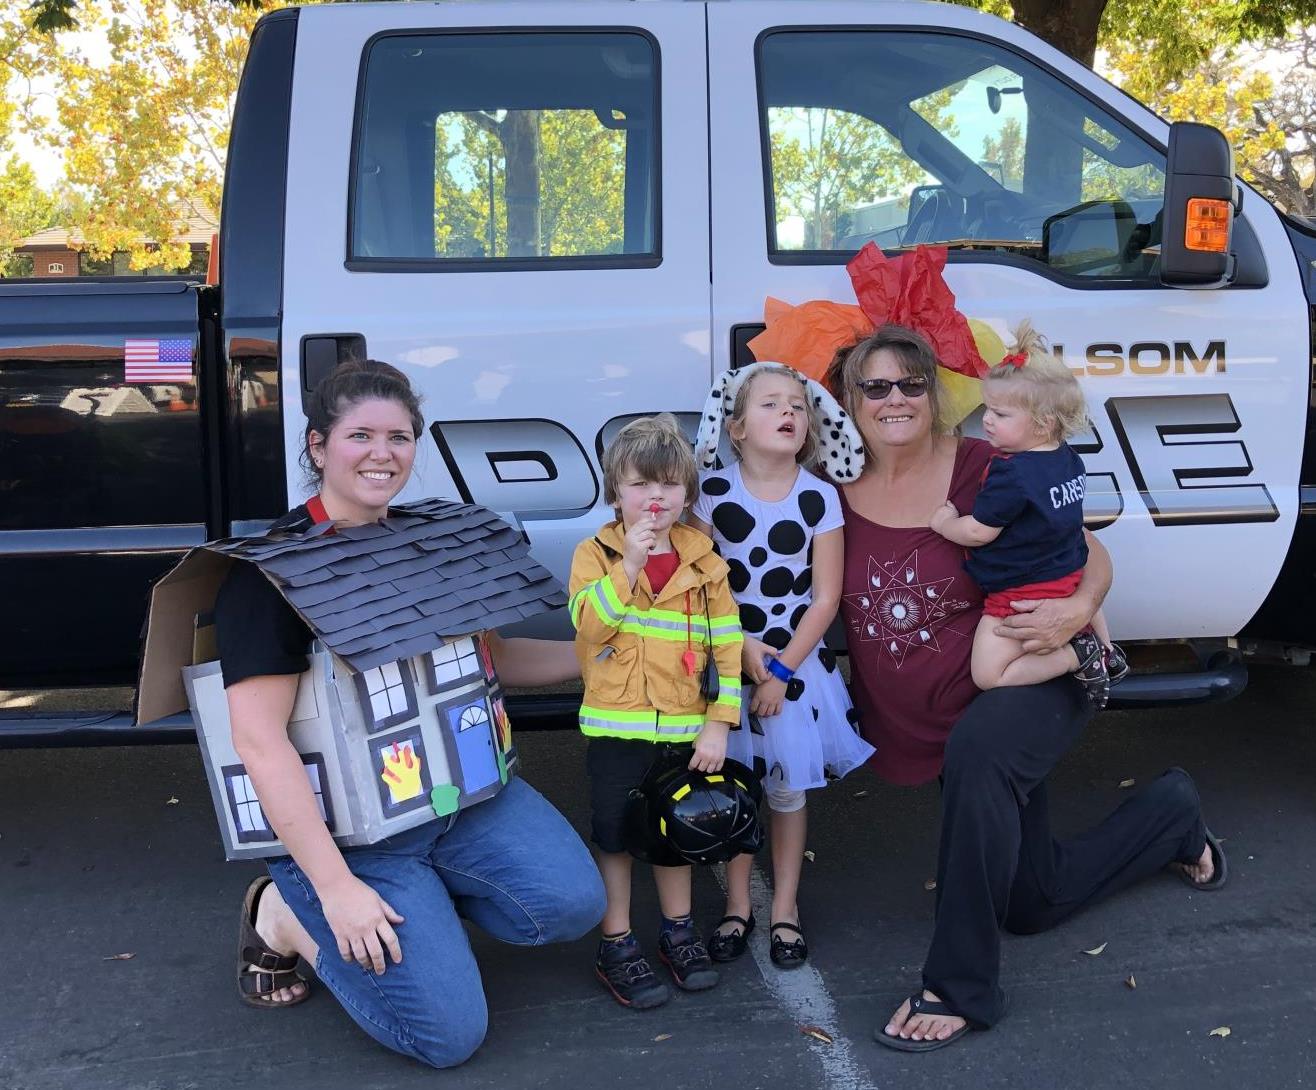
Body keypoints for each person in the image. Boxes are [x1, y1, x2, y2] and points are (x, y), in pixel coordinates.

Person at [828, 324, 1226, 1053]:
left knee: (981, 754)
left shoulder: (986, 464)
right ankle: (1171, 817)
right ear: (850, 398)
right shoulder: (830, 491)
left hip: (1032, 672)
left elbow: (1085, 544)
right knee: (1031, 901)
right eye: (874, 385)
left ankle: (960, 987)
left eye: (910, 382)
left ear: (937, 391)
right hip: (936, 705)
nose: (894, 398)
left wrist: (1080, 608)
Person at [216, 359, 604, 1068]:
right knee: (447, 1040)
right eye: (360, 435)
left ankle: (423, 915)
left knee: (574, 904)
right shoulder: (271, 574)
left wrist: (606, 654)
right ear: (318, 446)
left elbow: (498, 662)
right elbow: (258, 741)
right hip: (359, 837)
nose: (382, 453)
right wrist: (335, 888)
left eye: (399, 436)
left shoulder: (431, 544)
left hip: (460, 799)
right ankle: (285, 914)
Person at [689, 363, 873, 969]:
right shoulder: (711, 495)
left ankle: (785, 906)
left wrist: (781, 672)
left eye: (797, 404)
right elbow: (703, 588)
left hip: (794, 671)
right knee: (733, 793)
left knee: (788, 791)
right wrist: (745, 654)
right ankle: (738, 904)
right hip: (727, 661)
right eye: (770, 404)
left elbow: (825, 599)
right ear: (736, 427)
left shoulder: (819, 496)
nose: (789, 413)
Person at [568, 413, 744, 1010]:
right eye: (640, 485)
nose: (655, 498)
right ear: (615, 492)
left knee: (679, 833)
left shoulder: (706, 562)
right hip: (618, 732)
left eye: (669, 485)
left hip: (689, 730)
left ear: (687, 493)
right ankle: (616, 939)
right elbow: (589, 629)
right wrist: (631, 567)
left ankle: (678, 931)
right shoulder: (594, 554)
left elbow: (728, 647)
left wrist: (719, 721)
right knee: (615, 837)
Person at [928, 321, 1128, 707]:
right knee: (1090, 605)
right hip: (1070, 574)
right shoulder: (1069, 460)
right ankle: (1106, 650)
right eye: (988, 409)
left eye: (1000, 414)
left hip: (1022, 592)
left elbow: (977, 533)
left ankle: (1077, 655)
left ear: (1043, 423)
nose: (987, 420)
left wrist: (944, 522)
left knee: (989, 674)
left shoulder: (1011, 474)